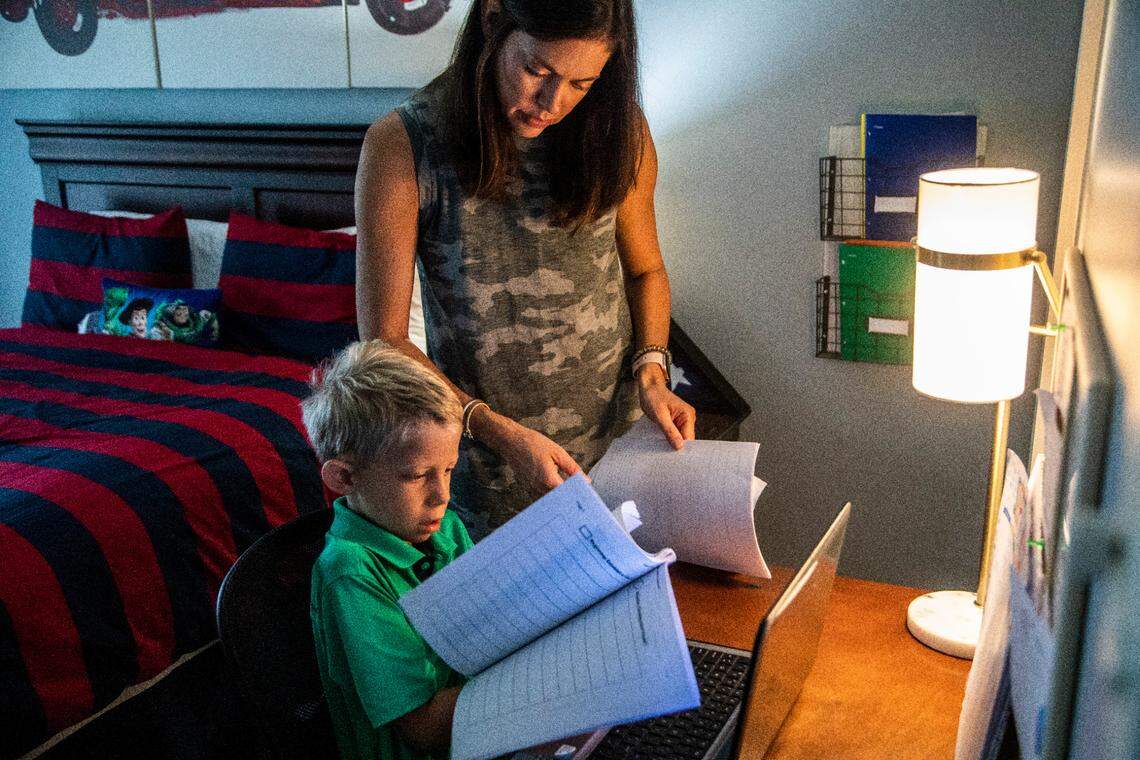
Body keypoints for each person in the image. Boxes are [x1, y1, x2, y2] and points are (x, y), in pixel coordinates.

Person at [355, 0, 696, 536]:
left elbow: (645, 271)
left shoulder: (618, 131)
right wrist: (494, 430)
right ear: (493, 21)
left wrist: (652, 370)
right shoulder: (403, 144)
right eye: (537, 70)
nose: (553, 102)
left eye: (581, 83)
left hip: (617, 457)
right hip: (482, 470)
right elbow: (384, 339)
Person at [304, 340, 473, 760]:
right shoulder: (351, 571)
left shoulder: (444, 527)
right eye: (417, 476)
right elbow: (423, 731)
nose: (442, 496)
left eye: (449, 469)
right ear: (344, 478)